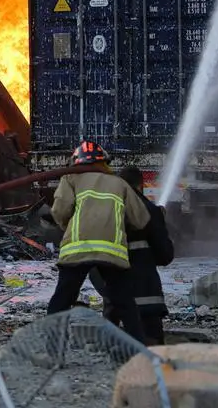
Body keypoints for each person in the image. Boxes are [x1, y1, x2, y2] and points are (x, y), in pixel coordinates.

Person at [48, 141, 150, 344]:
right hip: (111, 251)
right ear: (105, 162)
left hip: (77, 247)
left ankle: (52, 351)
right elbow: (141, 219)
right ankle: (139, 349)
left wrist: (67, 225)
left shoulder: (70, 178)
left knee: (62, 300)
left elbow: (60, 211)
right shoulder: (119, 184)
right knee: (125, 303)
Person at [90, 168, 175, 345]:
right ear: (141, 185)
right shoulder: (151, 211)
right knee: (152, 353)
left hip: (115, 304)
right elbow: (165, 256)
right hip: (147, 301)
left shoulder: (104, 212)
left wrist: (106, 290)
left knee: (116, 357)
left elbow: (94, 261)